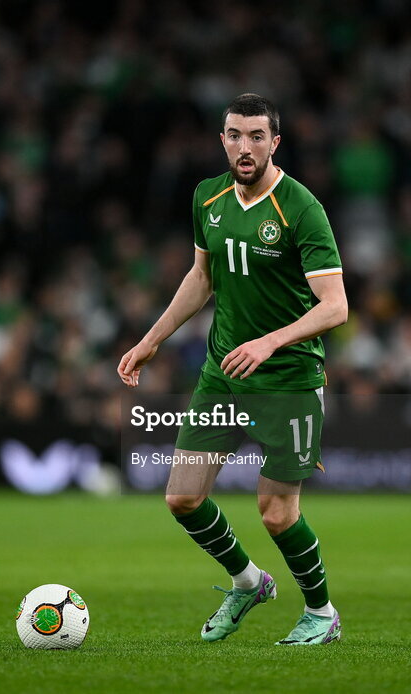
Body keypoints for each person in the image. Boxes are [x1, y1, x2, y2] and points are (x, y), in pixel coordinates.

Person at [118, 93, 348, 645]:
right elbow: (202, 277)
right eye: (233, 135)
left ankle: (322, 613)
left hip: (288, 378)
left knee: (275, 512)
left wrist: (270, 342)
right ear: (222, 139)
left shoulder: (301, 208)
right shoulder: (207, 196)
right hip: (223, 373)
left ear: (274, 143)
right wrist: (152, 339)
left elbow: (336, 305)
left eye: (255, 137)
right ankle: (249, 582)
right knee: (182, 498)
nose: (244, 147)